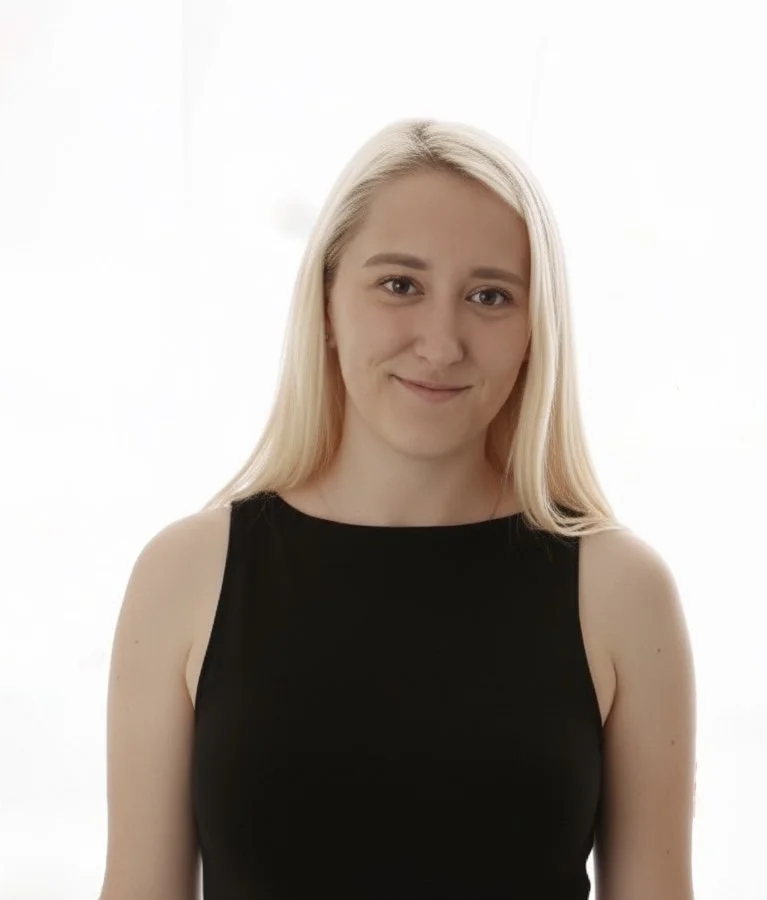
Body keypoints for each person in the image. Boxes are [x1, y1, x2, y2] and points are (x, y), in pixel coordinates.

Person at [99, 118, 697, 899]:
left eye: (489, 296)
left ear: (534, 331)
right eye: (399, 285)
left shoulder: (619, 591)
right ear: (325, 302)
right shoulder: (186, 575)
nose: (441, 343)